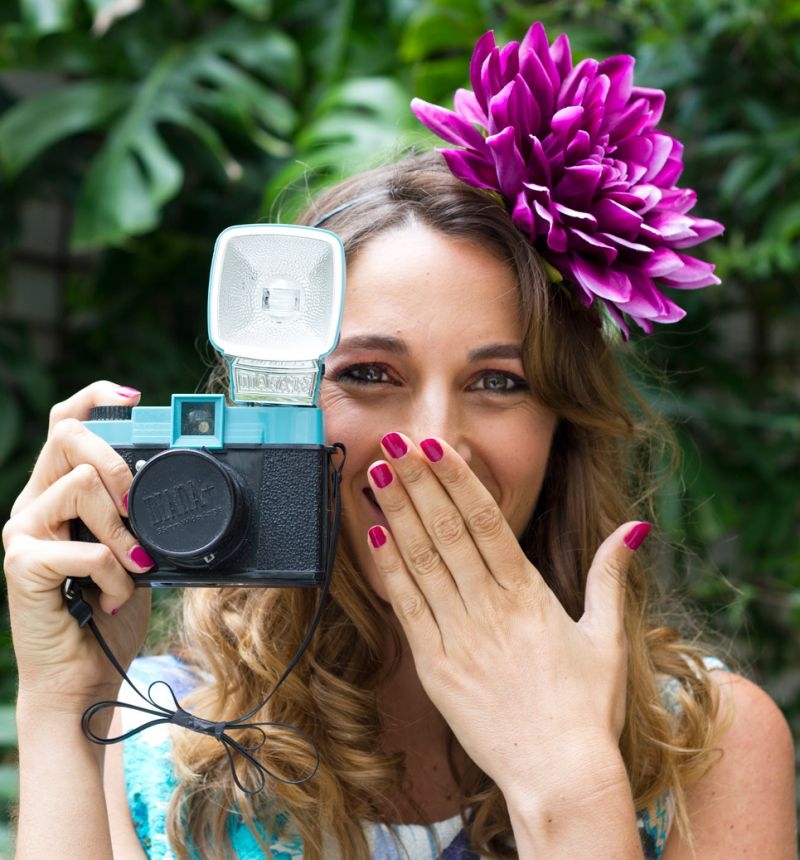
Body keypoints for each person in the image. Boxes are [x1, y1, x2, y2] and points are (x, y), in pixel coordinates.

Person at [2, 21, 796, 860]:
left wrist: (569, 783)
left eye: (499, 382)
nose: (433, 442)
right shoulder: (156, 745)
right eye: (372, 375)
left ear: (565, 423)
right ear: (279, 414)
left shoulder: (707, 741)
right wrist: (62, 703)